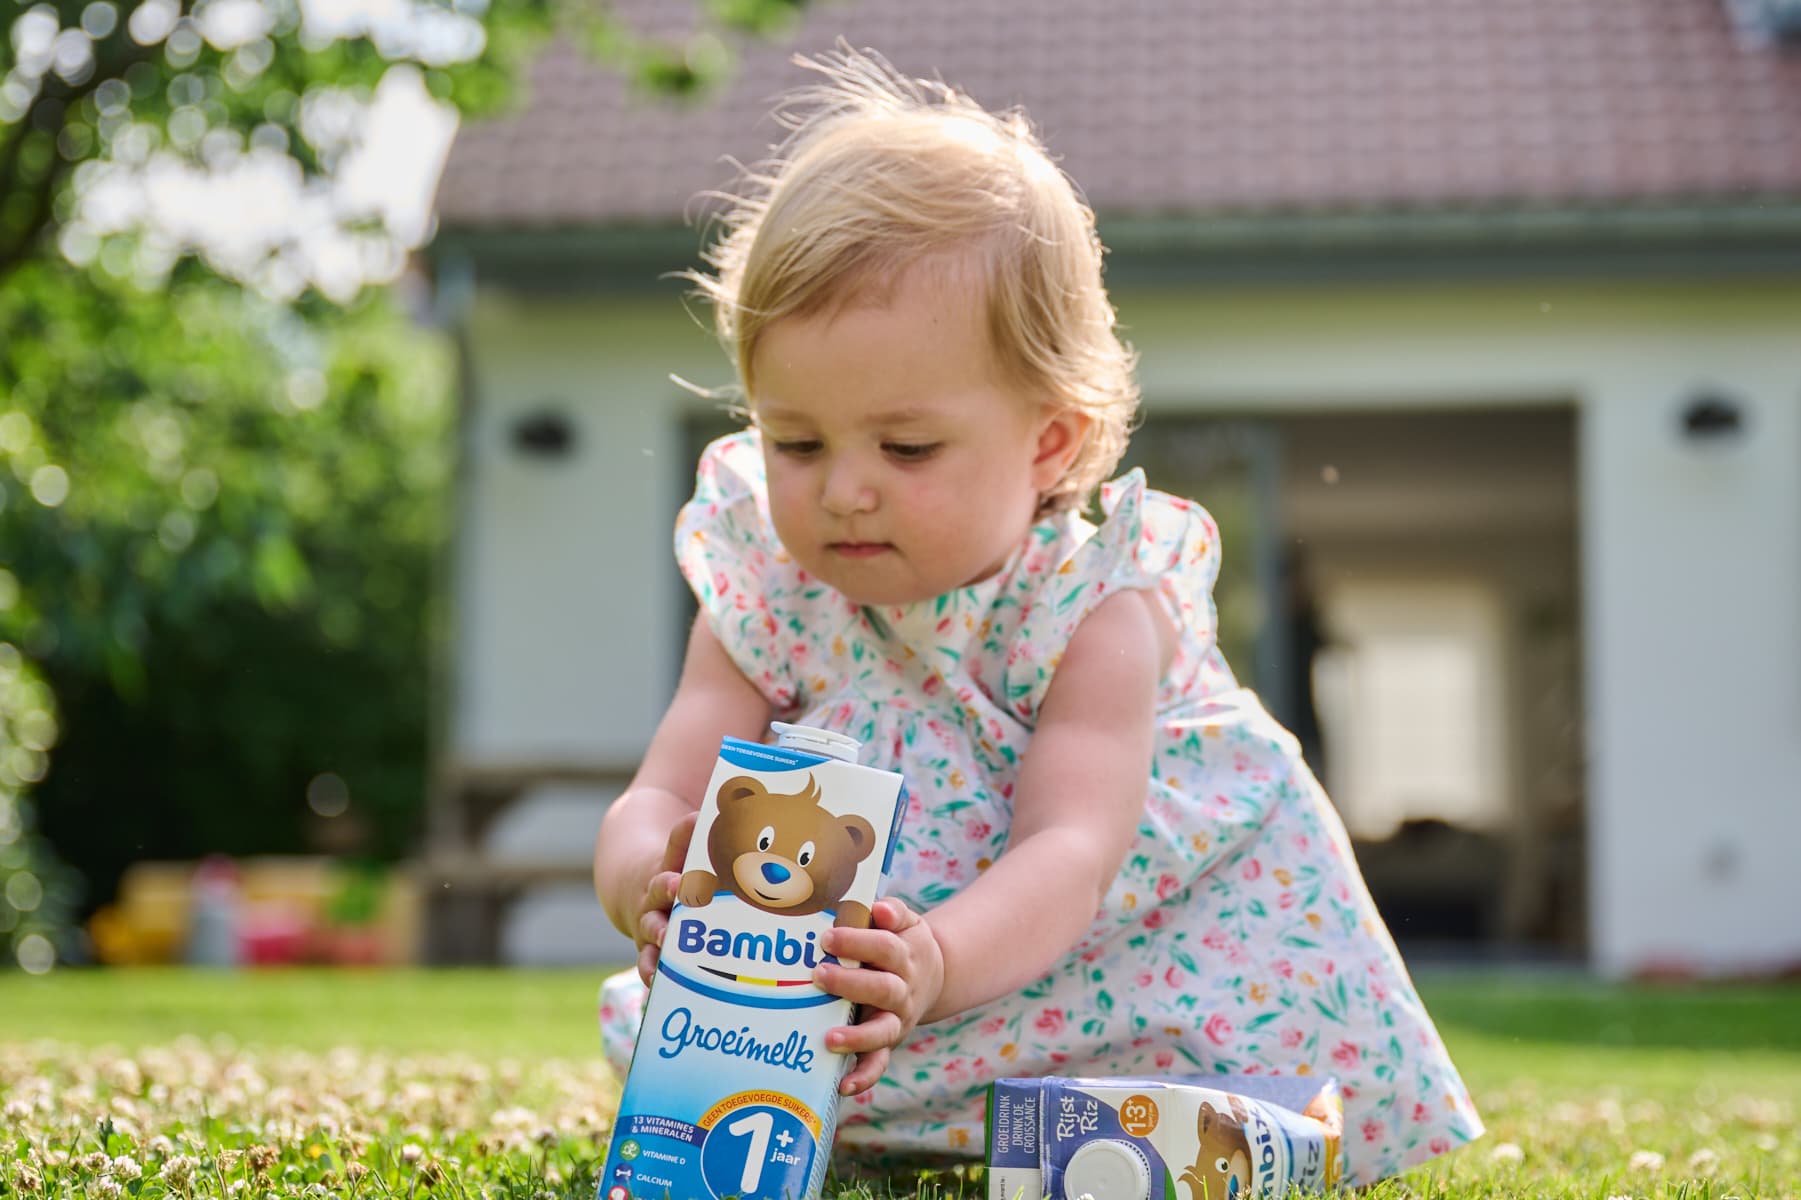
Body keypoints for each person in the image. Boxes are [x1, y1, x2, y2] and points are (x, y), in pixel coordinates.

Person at [591, 45, 1483, 1185]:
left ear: (1049, 443)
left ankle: (1152, 1121)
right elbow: (659, 793)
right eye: (795, 442)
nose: (841, 487)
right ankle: (879, 1107)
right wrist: (645, 885)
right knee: (725, 1075)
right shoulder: (768, 588)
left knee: (1174, 1111)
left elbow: (1071, 850)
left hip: (1119, 952)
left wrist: (935, 963)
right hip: (878, 982)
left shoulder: (1094, 604)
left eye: (905, 446)